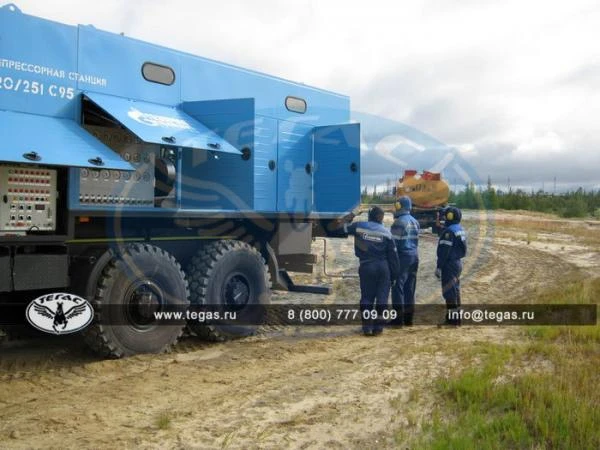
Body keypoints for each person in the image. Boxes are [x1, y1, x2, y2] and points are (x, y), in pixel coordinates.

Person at [343, 206, 401, 336]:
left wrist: (353, 214)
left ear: (369, 216)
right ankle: (378, 328)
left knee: (367, 298)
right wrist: (394, 275)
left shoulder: (359, 226)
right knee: (382, 298)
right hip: (383, 268)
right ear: (381, 219)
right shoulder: (387, 233)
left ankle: (367, 328)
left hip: (366, 266)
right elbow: (393, 257)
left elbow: (342, 227)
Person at [390, 196, 420, 327]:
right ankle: (409, 319)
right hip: (414, 256)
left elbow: (393, 245)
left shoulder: (398, 223)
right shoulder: (415, 221)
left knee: (398, 288)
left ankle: (398, 320)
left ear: (399, 206)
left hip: (402, 257)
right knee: (410, 288)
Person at [435, 206, 467, 326]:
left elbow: (444, 252)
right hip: (457, 263)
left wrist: (439, 266)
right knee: (455, 291)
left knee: (449, 293)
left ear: (450, 216)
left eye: (446, 215)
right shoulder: (459, 229)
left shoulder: (449, 232)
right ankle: (456, 319)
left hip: (449, 265)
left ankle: (452, 321)